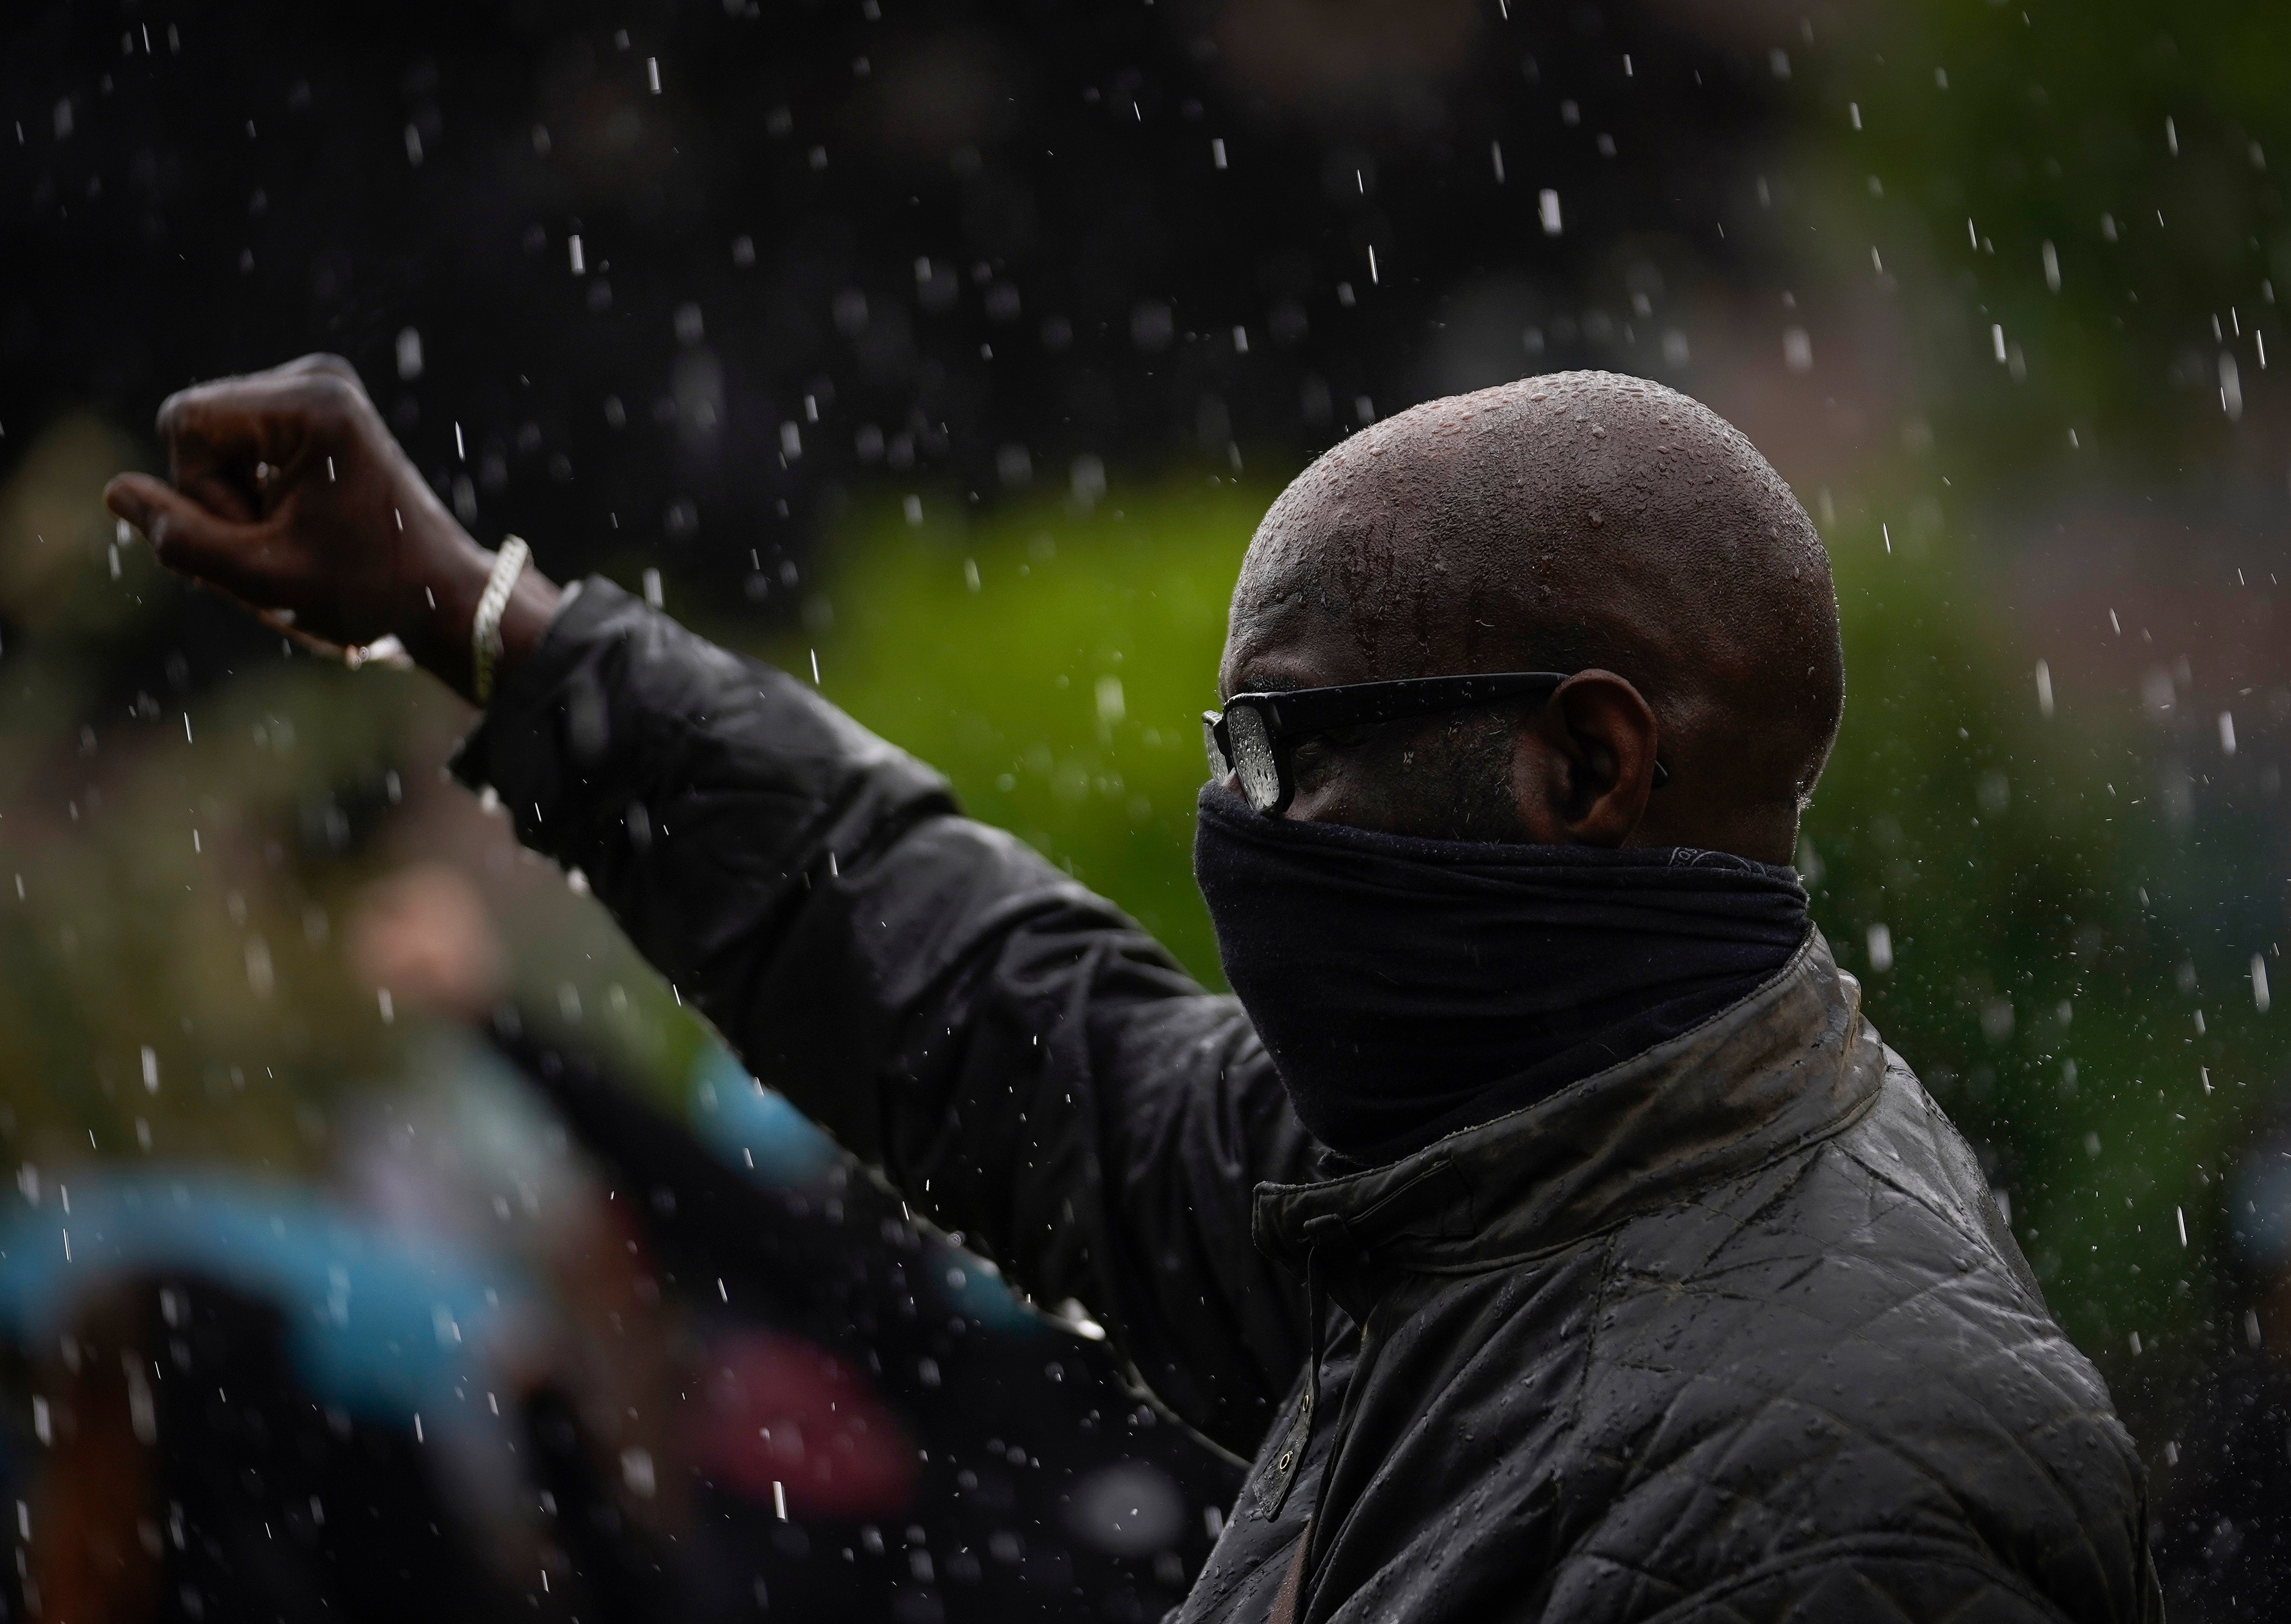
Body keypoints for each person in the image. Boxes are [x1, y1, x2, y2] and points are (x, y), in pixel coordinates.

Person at [106, 357, 2159, 1622]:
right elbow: (970, 992)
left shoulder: (1841, 1480)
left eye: (1284, 751)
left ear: (1587, 764)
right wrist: (481, 617)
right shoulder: (1490, 1186)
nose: (1232, 823)